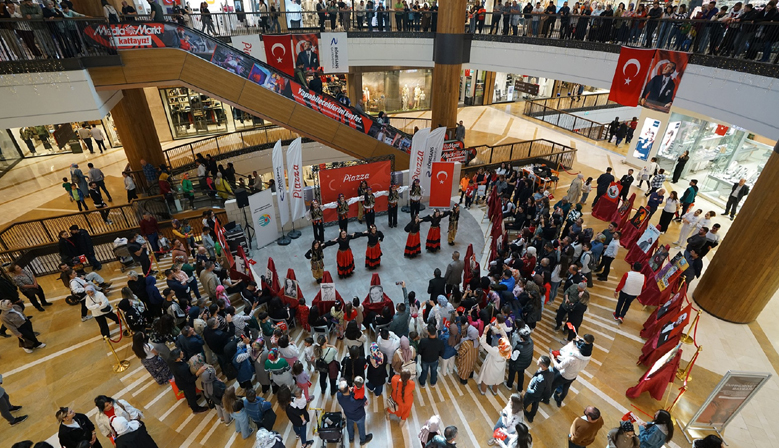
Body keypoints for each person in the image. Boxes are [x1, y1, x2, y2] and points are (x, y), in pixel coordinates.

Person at [551, 334, 594, 407]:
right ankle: (559, 400)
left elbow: (559, 367)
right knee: (565, 389)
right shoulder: (587, 355)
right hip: (573, 376)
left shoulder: (572, 359)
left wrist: (552, 358)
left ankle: (546, 398)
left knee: (553, 385)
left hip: (564, 375)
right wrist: (580, 339)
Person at [171, 348, 209, 414]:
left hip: (180, 381)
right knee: (191, 395)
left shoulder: (173, 362)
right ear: (177, 358)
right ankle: (195, 409)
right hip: (186, 384)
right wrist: (198, 372)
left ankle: (190, 402)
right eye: (181, 353)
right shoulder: (181, 369)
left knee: (188, 394)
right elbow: (190, 379)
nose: (182, 352)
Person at [477, 322, 510, 395]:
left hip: (492, 367)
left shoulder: (496, 351)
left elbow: (484, 344)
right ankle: (494, 391)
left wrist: (485, 332)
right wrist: (500, 328)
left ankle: (483, 391)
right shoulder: (508, 348)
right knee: (497, 380)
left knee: (486, 379)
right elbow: (505, 337)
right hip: (500, 367)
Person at [336, 380, 374, 444]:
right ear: (348, 387)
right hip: (359, 416)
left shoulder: (339, 396)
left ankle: (351, 438)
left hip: (348, 415)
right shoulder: (355, 402)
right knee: (361, 427)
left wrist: (350, 391)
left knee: (349, 425)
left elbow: (341, 393)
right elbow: (362, 400)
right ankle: (362, 440)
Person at [522, 355, 553, 423]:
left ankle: (521, 412)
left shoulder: (541, 379)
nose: (537, 360)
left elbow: (536, 393)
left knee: (524, 403)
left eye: (539, 360)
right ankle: (531, 416)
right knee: (535, 404)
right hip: (543, 393)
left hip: (535, 394)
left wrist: (528, 389)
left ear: (543, 365)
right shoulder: (550, 369)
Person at [506, 327, 533, 392]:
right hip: (525, 362)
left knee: (512, 374)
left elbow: (513, 358)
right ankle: (520, 388)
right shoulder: (531, 341)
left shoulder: (519, 347)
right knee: (521, 374)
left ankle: (509, 385)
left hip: (516, 364)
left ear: (522, 338)